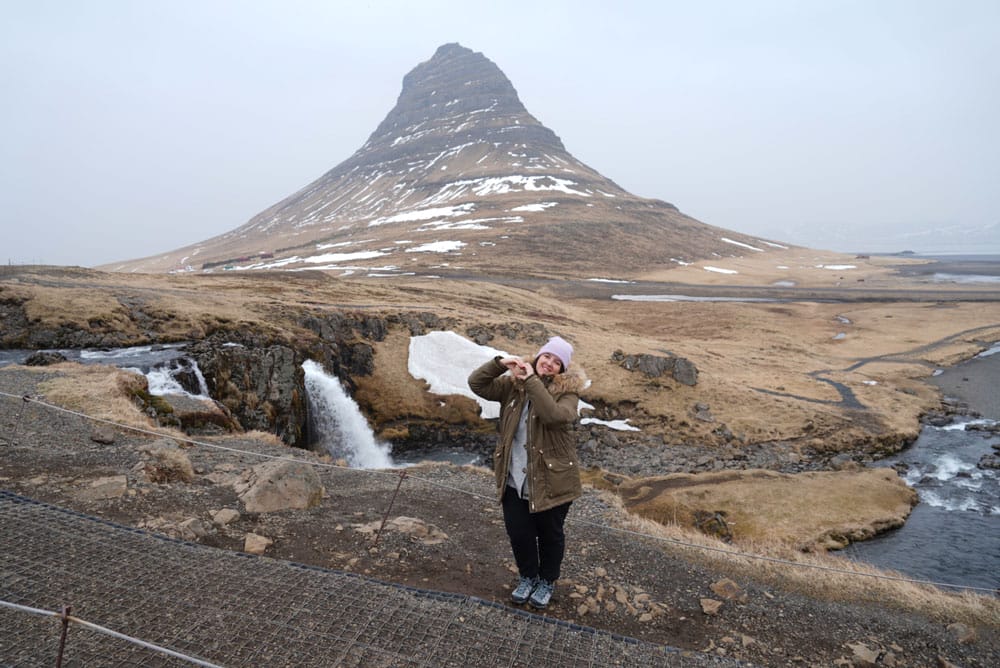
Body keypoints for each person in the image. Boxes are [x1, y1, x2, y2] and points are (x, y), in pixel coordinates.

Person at [467, 335, 587, 609]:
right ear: (538, 356)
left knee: (550, 535)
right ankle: (528, 577)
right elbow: (477, 384)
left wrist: (531, 380)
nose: (550, 363)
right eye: (547, 356)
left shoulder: (568, 394)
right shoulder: (512, 386)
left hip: (552, 481)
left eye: (557, 362)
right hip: (514, 479)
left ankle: (546, 581)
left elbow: (554, 415)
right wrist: (500, 364)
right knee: (519, 534)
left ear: (563, 370)